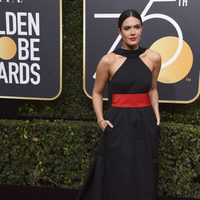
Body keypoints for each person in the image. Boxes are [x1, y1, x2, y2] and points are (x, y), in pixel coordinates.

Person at [75, 9, 161, 200]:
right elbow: (97, 93)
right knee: (118, 173)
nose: (132, 32)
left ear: (142, 29)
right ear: (120, 32)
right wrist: (100, 119)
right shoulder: (108, 60)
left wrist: (156, 115)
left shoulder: (154, 58)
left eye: (136, 27)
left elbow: (153, 88)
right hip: (118, 121)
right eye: (127, 28)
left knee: (145, 172)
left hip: (145, 121)